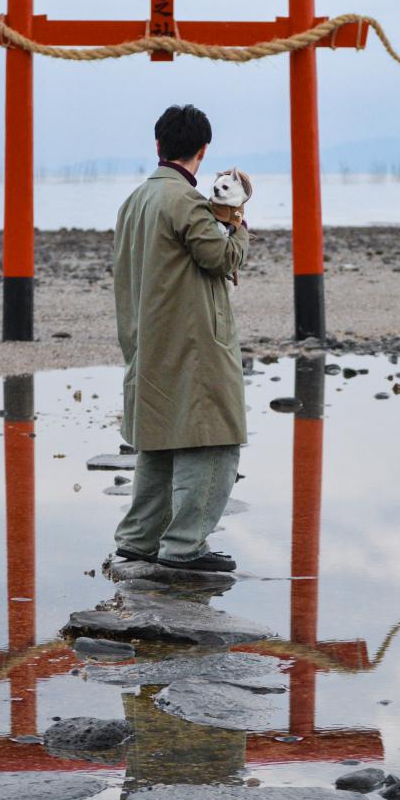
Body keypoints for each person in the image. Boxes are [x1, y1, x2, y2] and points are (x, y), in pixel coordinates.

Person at [112, 104, 249, 572]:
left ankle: (138, 539)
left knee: (159, 438)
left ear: (158, 146)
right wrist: (235, 219)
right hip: (193, 340)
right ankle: (185, 546)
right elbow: (222, 258)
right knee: (212, 438)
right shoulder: (185, 201)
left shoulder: (134, 201)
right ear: (202, 150)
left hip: (146, 337)